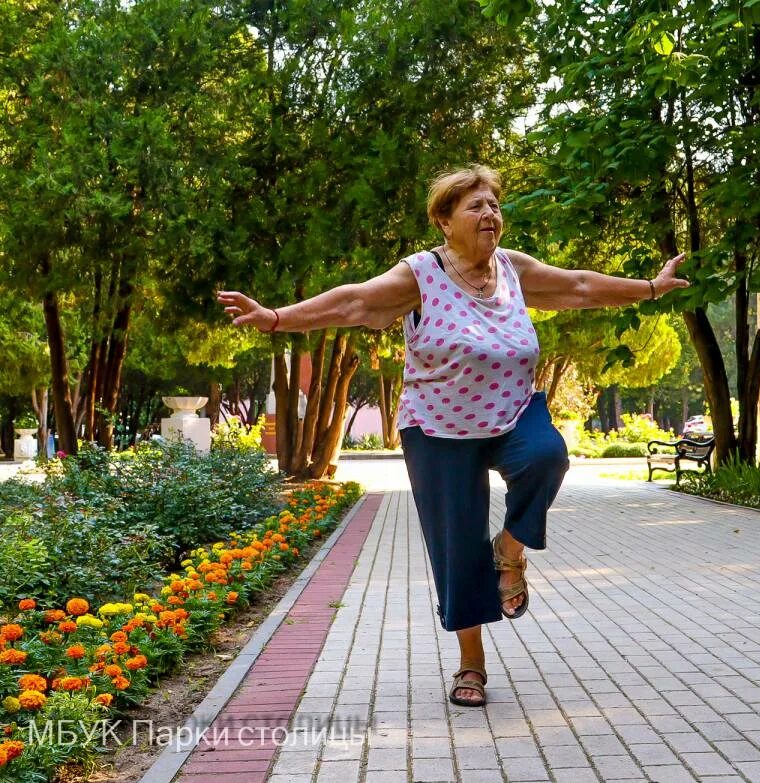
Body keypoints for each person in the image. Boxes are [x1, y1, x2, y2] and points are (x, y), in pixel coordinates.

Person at [218, 165, 688, 706]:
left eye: (494, 205)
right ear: (444, 221)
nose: (490, 214)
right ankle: (472, 664)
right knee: (457, 545)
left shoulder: (513, 269)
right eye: (475, 206)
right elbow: (353, 302)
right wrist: (276, 318)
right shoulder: (419, 276)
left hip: (513, 412)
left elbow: (579, 285)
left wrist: (650, 288)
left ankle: (508, 552)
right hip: (438, 428)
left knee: (547, 455)